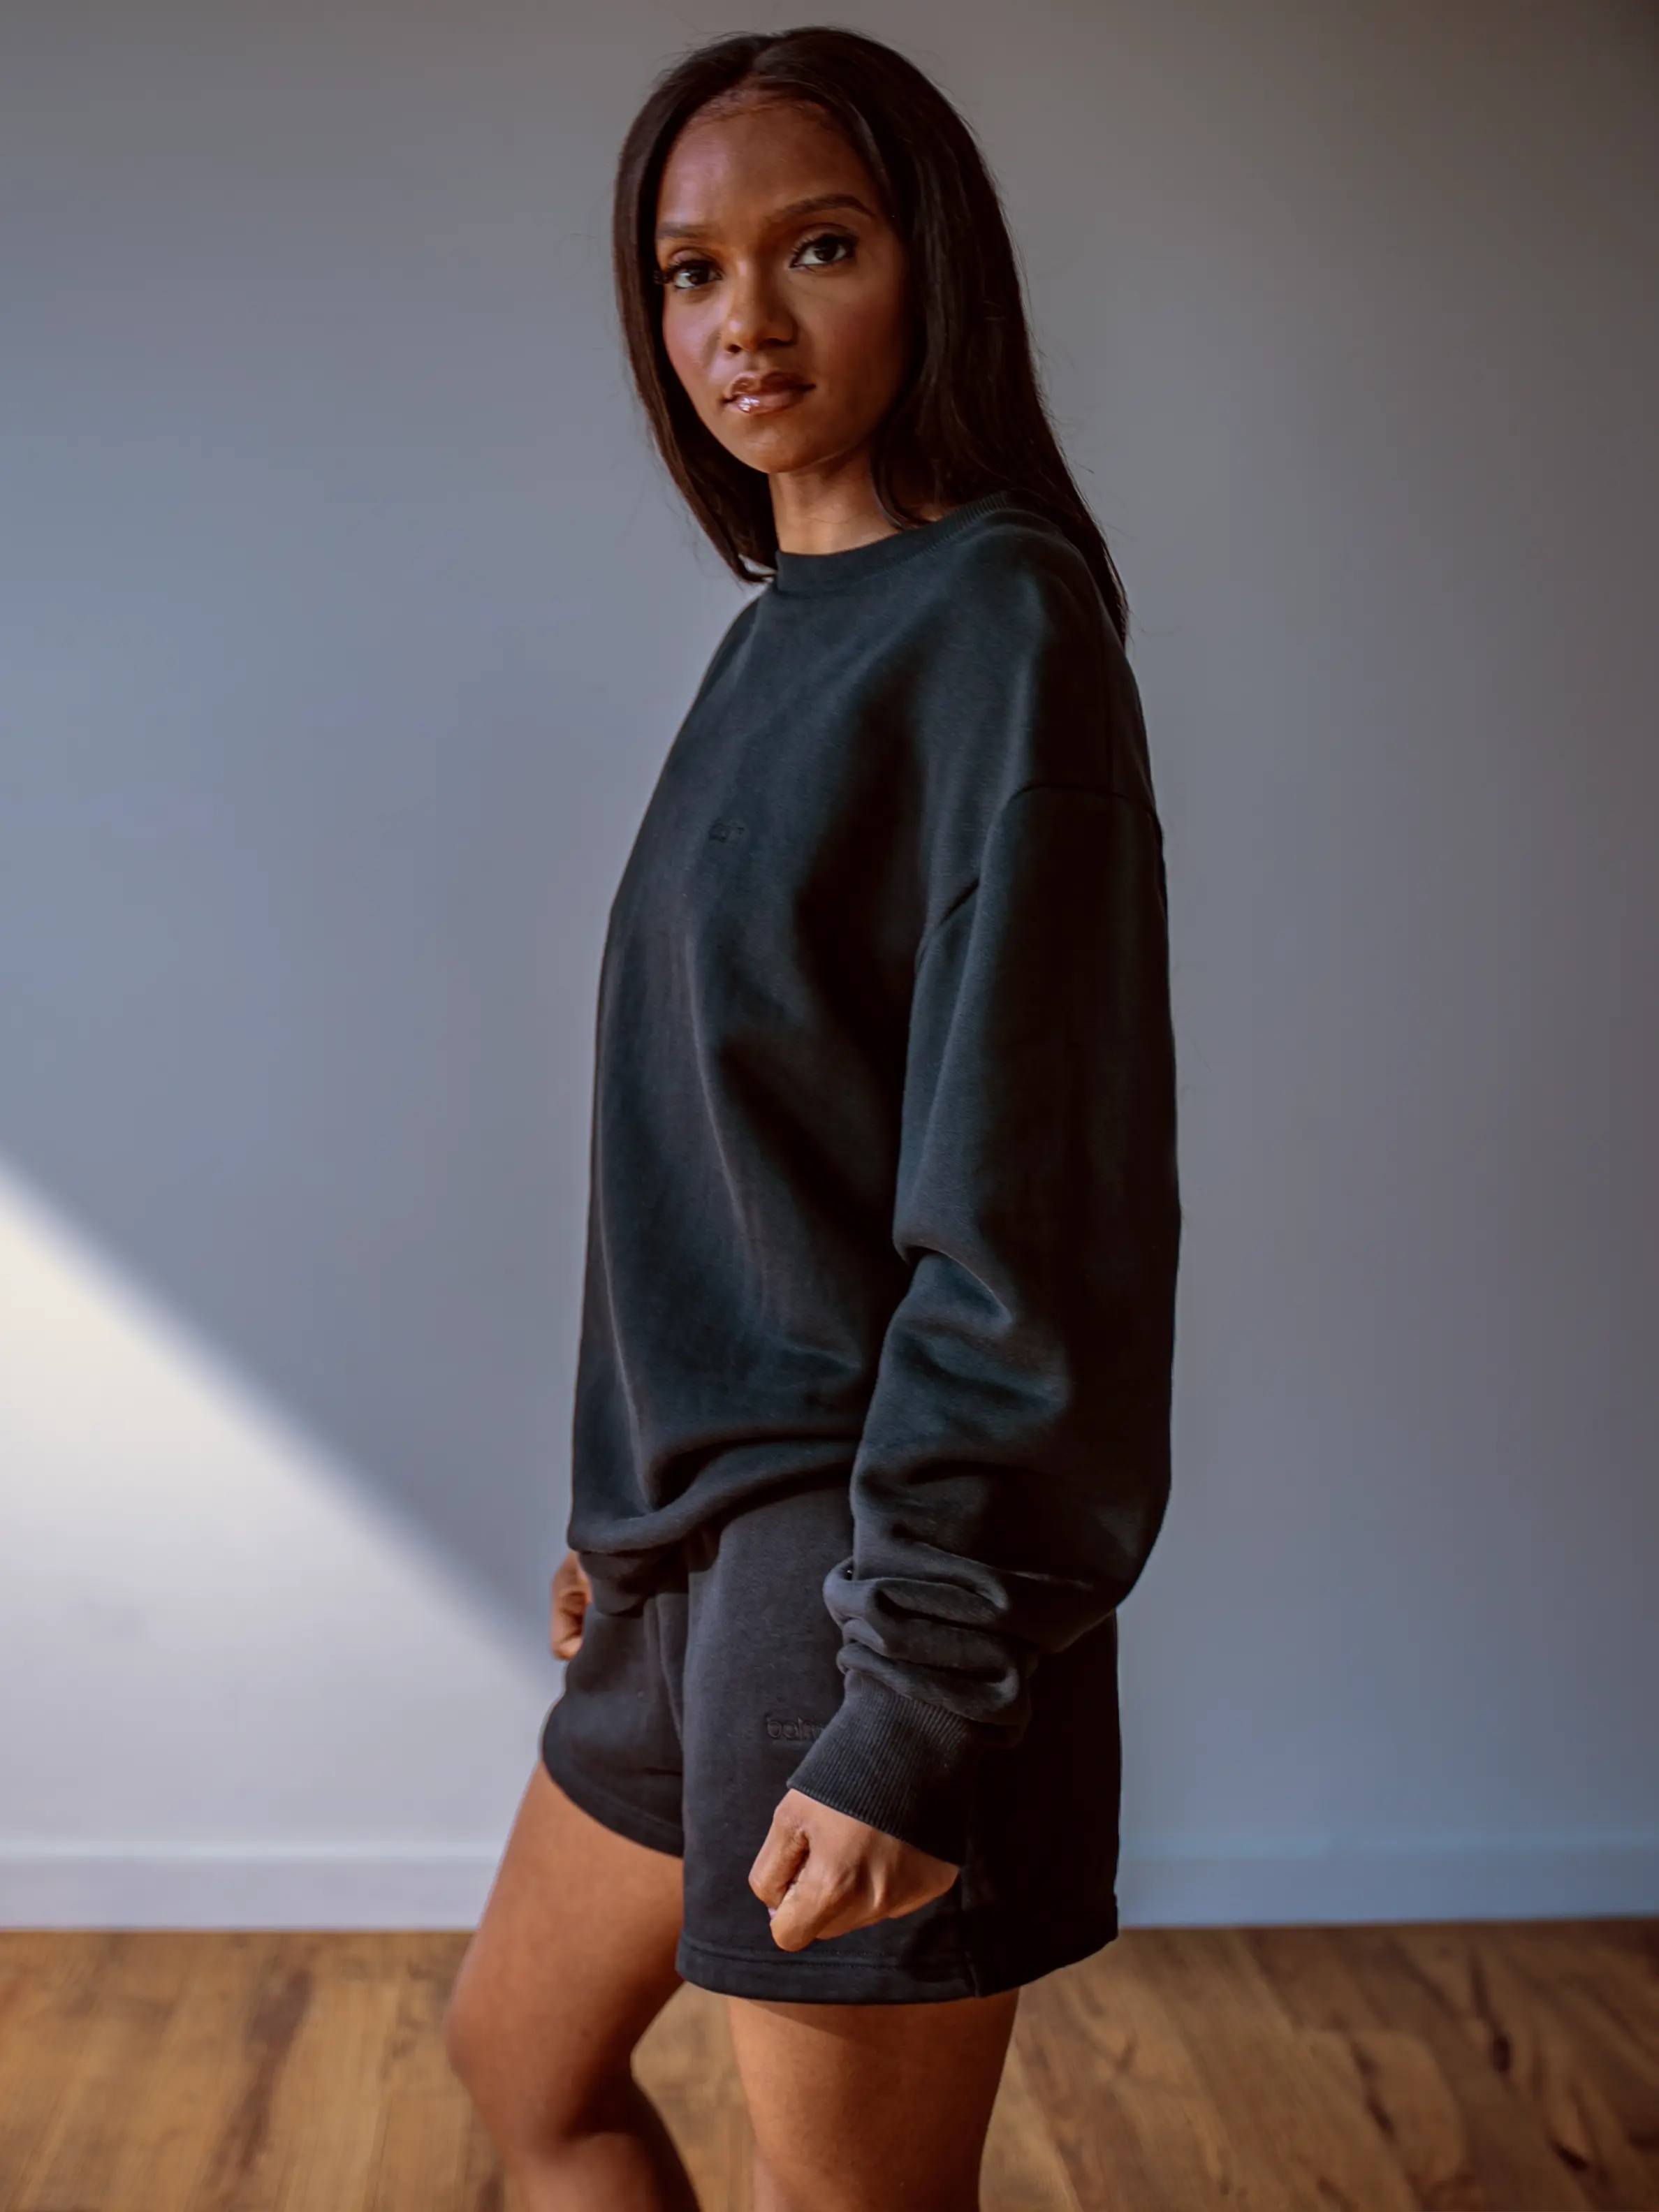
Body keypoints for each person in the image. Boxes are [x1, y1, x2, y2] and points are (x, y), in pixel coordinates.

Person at [443, 24, 1181, 2212]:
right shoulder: (786, 628)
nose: (738, 322)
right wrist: (623, 1488)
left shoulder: (999, 622)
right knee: (524, 2066)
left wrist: (916, 1700)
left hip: (867, 1577)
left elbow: (1031, 1208)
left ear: (926, 266)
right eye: (686, 273)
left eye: (816, 247)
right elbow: (705, 1134)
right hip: (695, 1555)